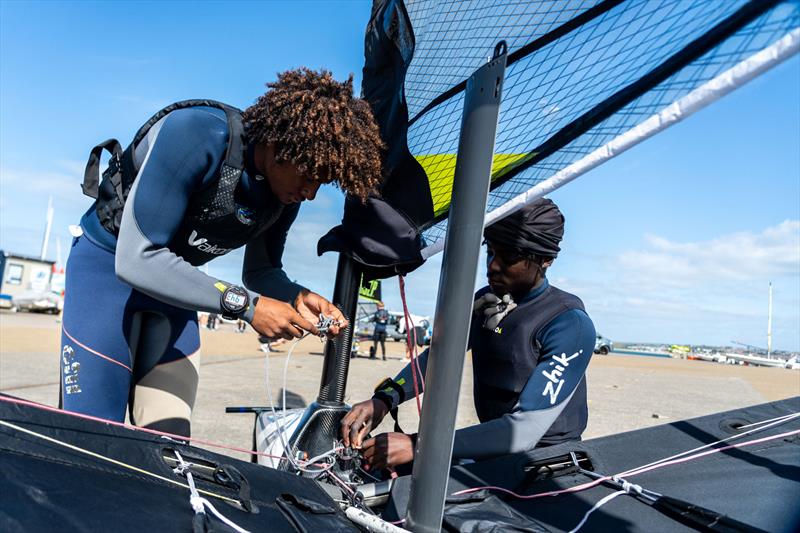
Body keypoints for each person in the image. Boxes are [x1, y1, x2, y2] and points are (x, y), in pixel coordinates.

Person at [60, 68, 384, 436]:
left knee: (171, 448)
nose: (310, 193)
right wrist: (247, 306)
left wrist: (298, 297)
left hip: (174, 294)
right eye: (309, 176)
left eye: (321, 183)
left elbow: (260, 272)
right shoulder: (199, 135)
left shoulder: (282, 196)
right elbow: (138, 258)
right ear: (280, 147)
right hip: (106, 275)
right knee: (88, 439)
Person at [341, 199, 596, 470]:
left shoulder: (569, 323)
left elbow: (525, 429)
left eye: (508, 258)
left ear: (546, 260)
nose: (493, 266)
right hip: (494, 450)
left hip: (547, 462)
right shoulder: (486, 301)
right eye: (490, 252)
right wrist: (384, 399)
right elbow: (439, 356)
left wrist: (419, 444)